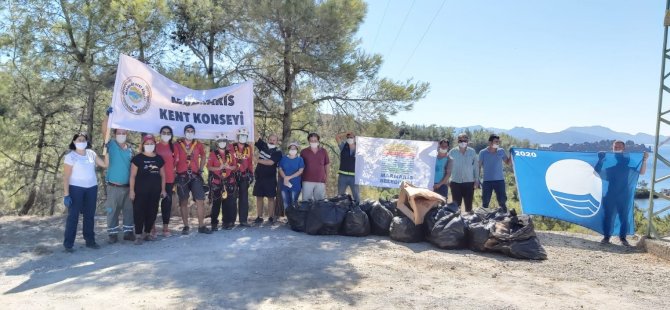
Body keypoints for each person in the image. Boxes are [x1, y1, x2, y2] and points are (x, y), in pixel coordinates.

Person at [596, 140, 648, 246]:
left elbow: (641, 172)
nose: (617, 148)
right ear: (613, 148)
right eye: (616, 147)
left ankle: (623, 238)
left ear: (624, 149)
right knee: (608, 216)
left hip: (624, 195)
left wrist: (644, 160)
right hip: (610, 195)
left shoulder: (627, 164)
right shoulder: (608, 161)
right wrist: (600, 160)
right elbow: (597, 172)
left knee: (623, 217)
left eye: (620, 147)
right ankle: (606, 237)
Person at [62, 132, 107, 252]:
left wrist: (107, 150)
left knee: (89, 216)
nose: (81, 142)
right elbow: (66, 177)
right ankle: (68, 244)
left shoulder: (91, 153)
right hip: (76, 189)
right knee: (73, 216)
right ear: (74, 142)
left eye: (83, 140)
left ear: (87, 142)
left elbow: (104, 164)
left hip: (91, 188)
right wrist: (66, 194)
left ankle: (90, 241)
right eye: (79, 140)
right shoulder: (70, 156)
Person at [102, 112, 135, 243]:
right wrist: (107, 117)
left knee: (129, 211)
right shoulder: (111, 146)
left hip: (127, 187)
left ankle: (128, 232)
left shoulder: (130, 150)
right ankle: (112, 234)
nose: (121, 135)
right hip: (113, 186)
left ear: (127, 135)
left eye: (124, 133)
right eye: (119, 133)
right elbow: (104, 131)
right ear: (115, 134)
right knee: (112, 211)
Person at [174, 124, 211, 234]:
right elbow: (174, 159)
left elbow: (204, 156)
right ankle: (186, 226)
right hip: (182, 176)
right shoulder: (177, 144)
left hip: (195, 176)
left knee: (200, 200)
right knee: (183, 202)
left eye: (191, 131)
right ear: (184, 132)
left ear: (194, 133)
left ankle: (201, 226)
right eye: (188, 131)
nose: (189, 133)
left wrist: (201, 169)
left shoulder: (198, 144)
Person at [129, 135, 166, 244]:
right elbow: (132, 176)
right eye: (147, 143)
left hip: (155, 192)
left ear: (155, 145)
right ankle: (138, 235)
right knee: (139, 212)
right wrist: (131, 190)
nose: (149, 145)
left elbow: (163, 175)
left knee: (152, 212)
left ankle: (148, 233)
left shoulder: (159, 159)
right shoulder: (138, 158)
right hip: (140, 192)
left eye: (152, 143)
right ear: (143, 145)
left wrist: (163, 190)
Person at [207, 133, 238, 231]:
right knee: (216, 203)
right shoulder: (213, 154)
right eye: (220, 141)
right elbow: (209, 167)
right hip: (217, 181)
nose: (222, 143)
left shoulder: (230, 154)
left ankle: (226, 222)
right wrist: (218, 168)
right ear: (217, 143)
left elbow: (235, 166)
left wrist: (229, 167)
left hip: (228, 181)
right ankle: (214, 223)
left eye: (224, 141)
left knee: (228, 203)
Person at [253, 134, 283, 224]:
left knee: (271, 198)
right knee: (259, 197)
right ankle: (259, 216)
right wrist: (251, 121)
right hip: (259, 177)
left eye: (274, 140)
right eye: (270, 139)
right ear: (268, 139)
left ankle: (270, 217)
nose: (272, 141)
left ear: (277, 142)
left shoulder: (278, 152)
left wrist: (257, 160)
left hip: (270, 178)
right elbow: (255, 137)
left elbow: (270, 163)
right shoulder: (263, 146)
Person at [445, 133, 479, 212]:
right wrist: (447, 179)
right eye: (460, 140)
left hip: (469, 182)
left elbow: (476, 167)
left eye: (465, 140)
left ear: (467, 141)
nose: (463, 142)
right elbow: (447, 166)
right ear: (457, 141)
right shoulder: (452, 152)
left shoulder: (472, 152)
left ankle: (469, 223)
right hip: (455, 182)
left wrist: (476, 180)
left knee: (469, 207)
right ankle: (457, 223)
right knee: (456, 207)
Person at [478, 134, 511, 212]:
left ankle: (505, 217)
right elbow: (478, 166)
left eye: (498, 142)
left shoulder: (501, 151)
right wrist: (477, 179)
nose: (497, 143)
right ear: (490, 142)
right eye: (496, 142)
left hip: (500, 181)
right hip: (487, 181)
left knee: (502, 202)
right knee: (485, 203)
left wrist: (511, 154)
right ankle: (483, 218)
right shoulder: (482, 152)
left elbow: (508, 162)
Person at [154, 125, 176, 237]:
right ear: (160, 133)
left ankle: (165, 227)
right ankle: (151, 227)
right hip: (155, 179)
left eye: (168, 133)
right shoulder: (155, 146)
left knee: (167, 203)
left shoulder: (173, 147)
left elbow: (175, 162)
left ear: (171, 135)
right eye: (164, 132)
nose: (166, 134)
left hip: (169, 179)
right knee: (153, 203)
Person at [233, 127, 254, 227]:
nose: (243, 138)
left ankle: (243, 220)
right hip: (232, 175)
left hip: (244, 175)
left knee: (244, 198)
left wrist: (251, 173)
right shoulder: (231, 146)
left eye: (245, 136)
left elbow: (250, 162)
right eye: (241, 136)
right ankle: (230, 220)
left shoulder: (248, 148)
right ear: (238, 137)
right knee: (231, 198)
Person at [300, 133, 330, 201]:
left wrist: (327, 177)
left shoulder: (323, 151)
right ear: (309, 141)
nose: (313, 142)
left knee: (320, 202)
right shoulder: (303, 151)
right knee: (306, 202)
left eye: (315, 140)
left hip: (320, 180)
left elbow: (327, 164)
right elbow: (300, 166)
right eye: (311, 140)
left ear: (318, 141)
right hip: (307, 180)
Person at [278, 142, 305, 210]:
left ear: (297, 150)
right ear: (288, 149)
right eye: (291, 148)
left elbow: (300, 171)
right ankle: (289, 219)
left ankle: (295, 219)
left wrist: (289, 177)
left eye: (294, 148)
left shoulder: (300, 159)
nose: (292, 150)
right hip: (284, 185)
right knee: (286, 203)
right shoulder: (283, 159)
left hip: (295, 185)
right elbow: (280, 169)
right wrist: (285, 177)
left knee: (294, 202)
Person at [335, 131, 360, 202]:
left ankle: (358, 211)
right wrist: (347, 133)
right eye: (348, 137)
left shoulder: (360, 148)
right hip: (343, 176)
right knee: (340, 196)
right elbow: (337, 137)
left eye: (351, 137)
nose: (349, 138)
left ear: (355, 138)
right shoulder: (343, 146)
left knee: (356, 196)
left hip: (354, 177)